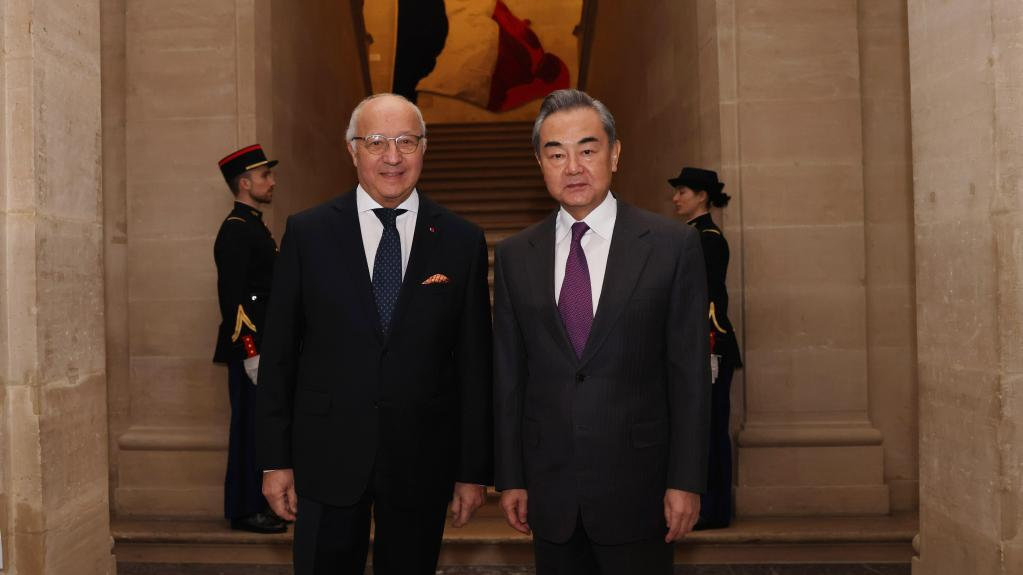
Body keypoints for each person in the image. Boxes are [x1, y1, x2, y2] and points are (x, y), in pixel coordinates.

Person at [256, 93, 493, 575]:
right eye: (377, 142)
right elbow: (279, 355)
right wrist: (274, 460)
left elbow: (474, 364)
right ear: (352, 150)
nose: (392, 157)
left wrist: (473, 471)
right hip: (326, 457)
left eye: (406, 141)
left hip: (421, 460)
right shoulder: (308, 233)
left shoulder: (461, 240)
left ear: (424, 148)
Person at [493, 89, 712, 574]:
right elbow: (510, 377)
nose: (572, 166)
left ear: (614, 153)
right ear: (540, 162)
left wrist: (687, 480)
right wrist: (510, 477)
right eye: (556, 153)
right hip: (550, 496)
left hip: (642, 491)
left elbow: (689, 374)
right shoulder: (514, 256)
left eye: (587, 150)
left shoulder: (672, 246)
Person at [212, 144, 287, 534]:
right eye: (264, 176)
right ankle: (245, 509)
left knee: (263, 428)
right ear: (244, 183)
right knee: (248, 429)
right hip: (252, 350)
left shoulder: (254, 225)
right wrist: (251, 352)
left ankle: (262, 503)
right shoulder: (237, 230)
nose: (271, 182)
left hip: (267, 347)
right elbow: (235, 299)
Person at [669, 167, 743, 530]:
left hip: (709, 345)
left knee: (711, 428)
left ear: (702, 196)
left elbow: (707, 301)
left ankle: (714, 509)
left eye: (683, 191)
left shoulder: (708, 238)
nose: (676, 198)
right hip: (697, 347)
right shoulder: (691, 235)